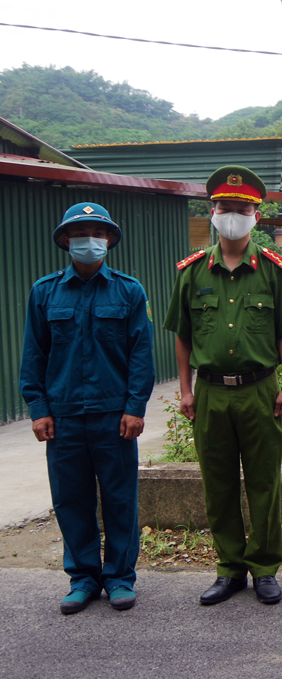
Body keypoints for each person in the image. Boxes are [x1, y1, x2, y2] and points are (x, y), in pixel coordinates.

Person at [164, 166, 282, 606]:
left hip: (259, 390)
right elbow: (183, 336)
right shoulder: (191, 273)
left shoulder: (274, 270)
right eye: (225, 207)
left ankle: (264, 567)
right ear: (212, 211)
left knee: (264, 481)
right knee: (218, 482)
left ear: (256, 215)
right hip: (209, 392)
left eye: (241, 209)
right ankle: (228, 570)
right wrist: (186, 391)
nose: (232, 215)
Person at [20, 202, 154, 614]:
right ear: (65, 241)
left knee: (118, 499)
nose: (89, 241)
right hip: (62, 418)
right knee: (71, 499)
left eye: (98, 233)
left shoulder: (129, 290)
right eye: (80, 234)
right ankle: (82, 578)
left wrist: (135, 407)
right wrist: (38, 408)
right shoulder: (45, 292)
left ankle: (118, 578)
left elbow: (140, 355)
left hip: (114, 417)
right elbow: (34, 356)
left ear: (110, 240)